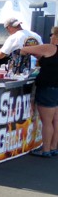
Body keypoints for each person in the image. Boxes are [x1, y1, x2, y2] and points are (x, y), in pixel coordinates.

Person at [19, 26, 58, 157]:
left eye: (52, 34)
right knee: (55, 120)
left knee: (47, 121)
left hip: (48, 87)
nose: (50, 37)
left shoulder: (50, 48)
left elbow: (24, 49)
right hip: (56, 88)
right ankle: (53, 147)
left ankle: (45, 149)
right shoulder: (51, 50)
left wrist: (25, 53)